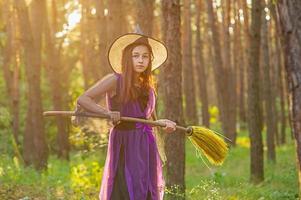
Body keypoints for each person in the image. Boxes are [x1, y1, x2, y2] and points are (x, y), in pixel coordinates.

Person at [77, 32, 177, 200]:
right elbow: (83, 99)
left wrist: (161, 123)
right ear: (127, 58)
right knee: (124, 187)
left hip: (145, 145)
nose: (140, 60)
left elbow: (145, 121)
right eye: (135, 56)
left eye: (145, 56)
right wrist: (107, 113)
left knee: (145, 188)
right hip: (124, 143)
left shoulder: (148, 86)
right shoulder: (115, 80)